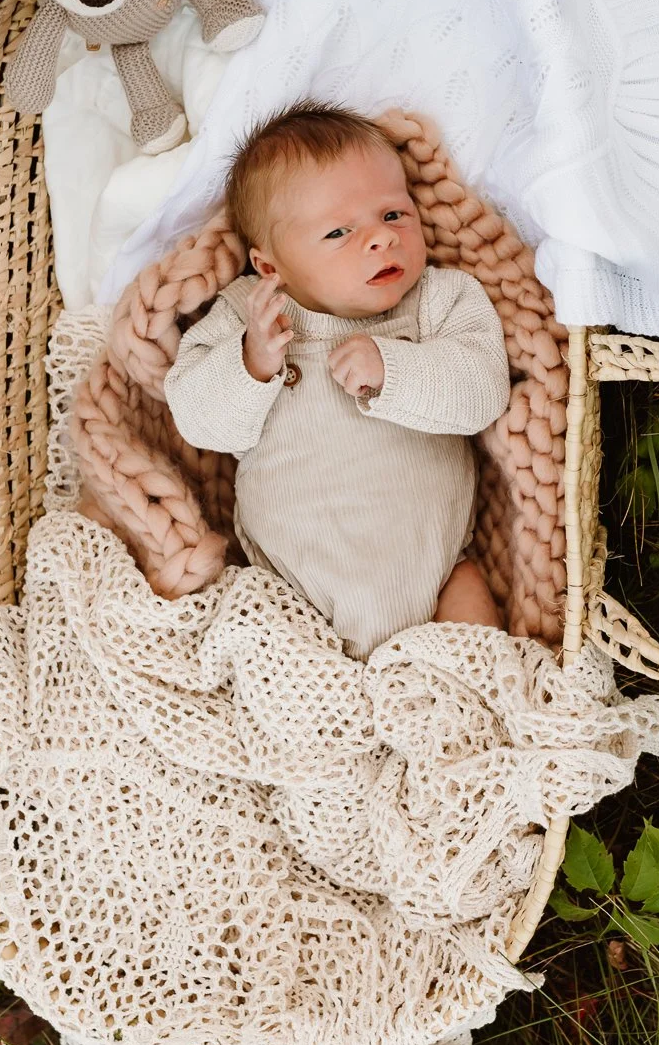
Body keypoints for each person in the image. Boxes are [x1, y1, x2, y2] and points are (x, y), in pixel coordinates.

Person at [162, 102, 511, 657]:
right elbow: (198, 421)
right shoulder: (248, 316)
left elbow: (483, 392)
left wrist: (393, 368)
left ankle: (470, 722)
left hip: (437, 574)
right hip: (295, 597)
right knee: (275, 673)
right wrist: (250, 364)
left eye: (394, 215)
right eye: (339, 232)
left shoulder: (439, 301)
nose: (380, 239)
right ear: (271, 268)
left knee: (478, 646)